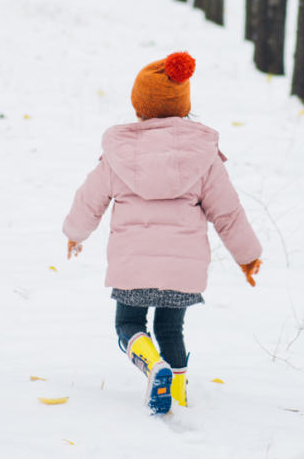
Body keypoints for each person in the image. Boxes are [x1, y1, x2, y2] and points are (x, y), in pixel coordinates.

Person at [62, 51, 263, 415]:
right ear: (184, 107)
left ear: (139, 108)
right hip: (182, 271)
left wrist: (75, 233)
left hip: (132, 267)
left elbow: (88, 200)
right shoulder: (204, 156)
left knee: (129, 323)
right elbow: (228, 213)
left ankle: (154, 368)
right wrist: (247, 256)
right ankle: (179, 398)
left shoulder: (117, 153)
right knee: (171, 330)